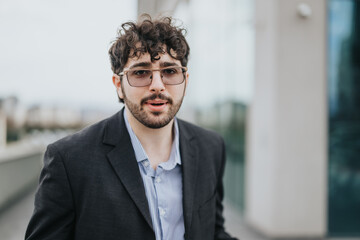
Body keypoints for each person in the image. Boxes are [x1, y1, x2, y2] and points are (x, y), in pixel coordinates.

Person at [25, 15, 238, 240]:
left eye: (169, 71)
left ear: (185, 79)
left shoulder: (211, 147)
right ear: (118, 85)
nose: (157, 86)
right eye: (140, 73)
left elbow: (212, 231)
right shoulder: (69, 160)